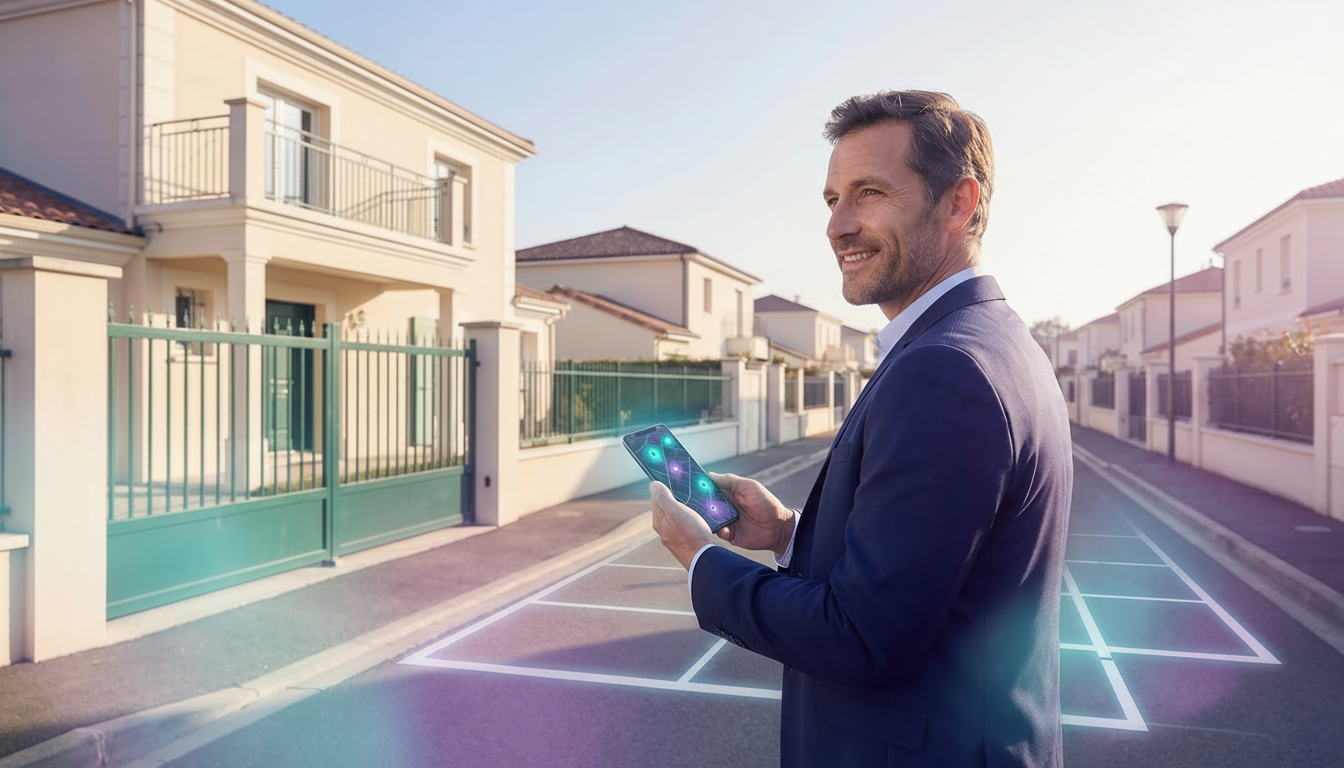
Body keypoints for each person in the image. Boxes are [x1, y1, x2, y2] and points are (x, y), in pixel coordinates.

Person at [650, 90, 1073, 768]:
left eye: (869, 192)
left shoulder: (946, 369)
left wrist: (703, 561)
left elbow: (863, 639)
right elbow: (930, 571)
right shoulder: (983, 341)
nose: (837, 226)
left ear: (959, 202)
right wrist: (790, 535)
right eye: (831, 200)